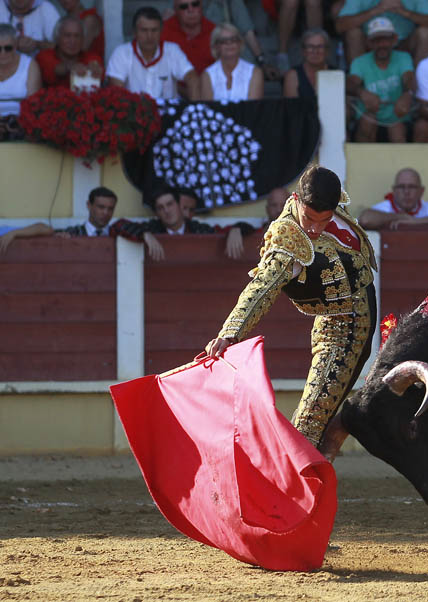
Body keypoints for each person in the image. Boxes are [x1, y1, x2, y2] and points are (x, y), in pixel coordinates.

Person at [204, 165, 377, 451]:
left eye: (324, 220)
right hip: (340, 331)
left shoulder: (325, 199)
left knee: (314, 421)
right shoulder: (288, 238)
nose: (314, 229)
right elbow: (262, 287)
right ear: (296, 200)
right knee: (309, 424)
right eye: (309, 219)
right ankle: (296, 477)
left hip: (352, 325)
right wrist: (230, 333)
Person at [111, 188, 253, 261]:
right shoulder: (151, 229)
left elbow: (252, 229)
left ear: (180, 205)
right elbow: (117, 225)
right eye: (160, 208)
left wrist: (237, 229)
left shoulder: (199, 229)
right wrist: (145, 234)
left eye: (169, 204)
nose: (166, 210)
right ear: (157, 213)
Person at [107, 7, 201, 100]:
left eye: (154, 30)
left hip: (168, 109)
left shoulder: (172, 50)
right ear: (135, 32)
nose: (149, 36)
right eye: (144, 30)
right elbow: (116, 91)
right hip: (133, 109)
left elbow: (192, 78)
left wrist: (196, 107)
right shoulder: (122, 53)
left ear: (161, 31)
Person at [347, 17, 416, 142]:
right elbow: (351, 83)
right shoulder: (360, 62)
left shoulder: (403, 58)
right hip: (369, 119)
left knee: (396, 128)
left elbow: (409, 78)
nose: (382, 44)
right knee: (368, 121)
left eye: (386, 40)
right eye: (376, 40)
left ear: (394, 40)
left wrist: (408, 94)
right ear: (369, 43)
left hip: (398, 118)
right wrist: (361, 92)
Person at [337, 0, 428, 67]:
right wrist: (376, 10)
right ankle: (357, 84)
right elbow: (340, 25)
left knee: (425, 33)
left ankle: (422, 86)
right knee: (353, 34)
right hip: (371, 44)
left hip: (403, 44)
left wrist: (403, 11)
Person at [358, 167, 428, 229]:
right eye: (401, 187)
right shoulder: (385, 207)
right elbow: (365, 219)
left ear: (421, 191)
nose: (406, 192)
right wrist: (401, 216)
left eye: (412, 187)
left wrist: (416, 222)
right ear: (394, 190)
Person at [200, 23, 264, 101]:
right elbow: (208, 107)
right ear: (216, 46)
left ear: (240, 43)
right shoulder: (207, 75)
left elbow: (254, 106)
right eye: (224, 41)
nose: (229, 44)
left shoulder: (255, 73)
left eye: (233, 40)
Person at [35, 16, 102, 89]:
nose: (72, 41)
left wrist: (95, 70)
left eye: (77, 36)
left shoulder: (93, 57)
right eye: (67, 36)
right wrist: (70, 68)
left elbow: (100, 73)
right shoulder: (44, 56)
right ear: (57, 38)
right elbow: (53, 72)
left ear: (83, 39)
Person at [0, 24, 41, 123]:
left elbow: (33, 105)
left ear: (15, 47)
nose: (2, 53)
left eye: (8, 48)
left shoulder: (29, 65)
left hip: (20, 123)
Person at [162, 0, 216, 74]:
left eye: (195, 4)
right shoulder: (162, 31)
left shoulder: (214, 31)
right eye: (184, 7)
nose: (191, 10)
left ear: (201, 6)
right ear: (176, 10)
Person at [282, 29, 333, 100]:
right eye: (310, 47)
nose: (315, 51)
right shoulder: (293, 76)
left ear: (327, 51)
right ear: (303, 51)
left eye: (320, 46)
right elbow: (291, 106)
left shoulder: (336, 74)